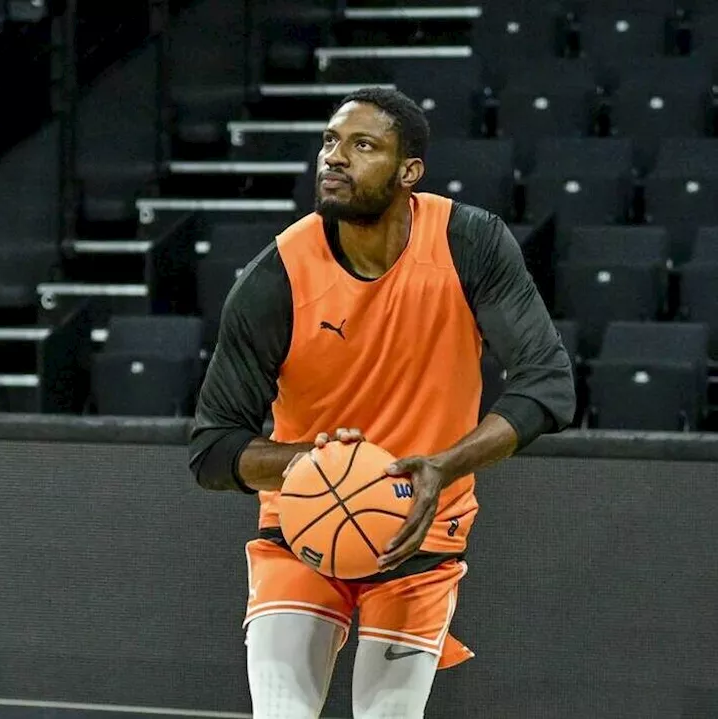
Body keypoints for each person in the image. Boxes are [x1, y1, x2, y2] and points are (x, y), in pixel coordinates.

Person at [188, 88, 576, 719]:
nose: (334, 159)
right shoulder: (276, 278)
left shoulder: (468, 242)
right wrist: (310, 468)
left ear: (408, 172)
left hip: (421, 532)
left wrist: (444, 465)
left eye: (362, 145)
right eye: (329, 143)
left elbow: (548, 384)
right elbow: (212, 448)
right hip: (303, 532)